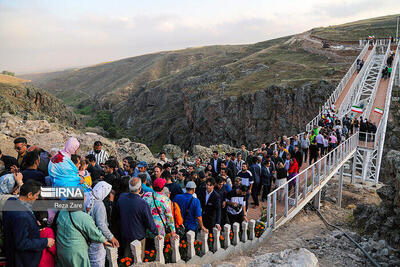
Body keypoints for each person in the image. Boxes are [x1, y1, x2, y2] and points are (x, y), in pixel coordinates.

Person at [3, 180, 54, 267]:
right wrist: (45, 242)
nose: (37, 198)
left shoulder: (11, 202)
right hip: (22, 261)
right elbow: (22, 243)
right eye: (37, 195)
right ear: (29, 195)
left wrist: (33, 224)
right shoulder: (21, 216)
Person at [115, 177, 160, 258]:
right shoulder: (143, 203)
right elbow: (149, 222)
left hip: (125, 234)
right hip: (138, 236)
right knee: (138, 259)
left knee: (127, 259)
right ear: (140, 188)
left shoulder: (121, 198)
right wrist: (156, 232)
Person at [86, 182, 120, 267]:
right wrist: (111, 237)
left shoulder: (86, 195)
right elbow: (101, 225)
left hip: (85, 238)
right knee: (97, 262)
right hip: (96, 240)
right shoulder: (99, 204)